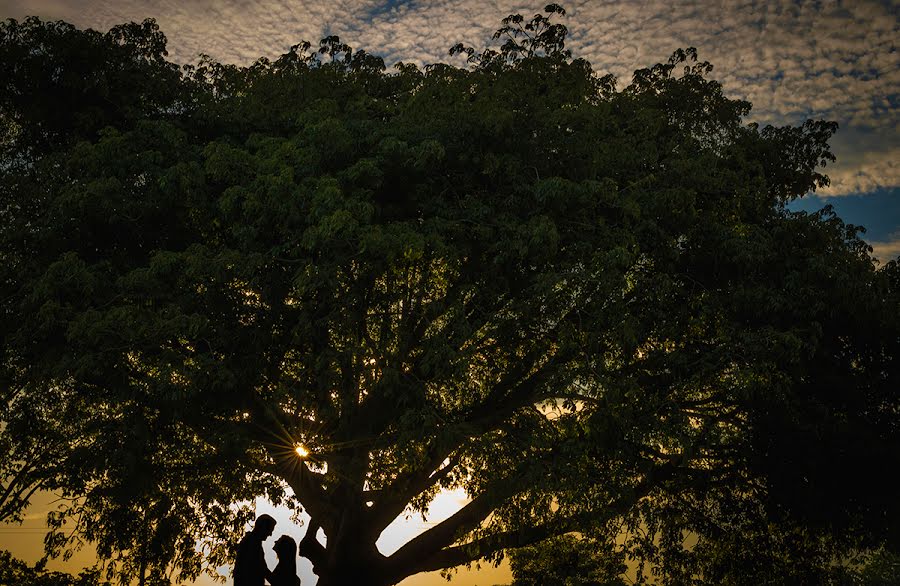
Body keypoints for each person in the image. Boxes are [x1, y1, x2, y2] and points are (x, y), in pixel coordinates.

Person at [234, 514, 277, 586]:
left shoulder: (252, 541)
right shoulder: (252, 543)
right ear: (263, 527)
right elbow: (262, 569)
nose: (270, 534)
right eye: (270, 530)